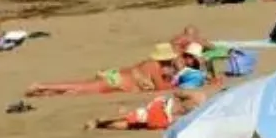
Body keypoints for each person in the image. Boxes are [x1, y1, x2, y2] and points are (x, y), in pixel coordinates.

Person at [26, 43, 175, 97]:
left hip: (117, 77)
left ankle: (46, 91)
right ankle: (42, 86)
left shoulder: (149, 64)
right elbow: (160, 88)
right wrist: (175, 85)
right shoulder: (154, 66)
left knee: (80, 89)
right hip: (117, 80)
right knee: (80, 87)